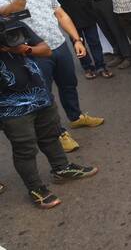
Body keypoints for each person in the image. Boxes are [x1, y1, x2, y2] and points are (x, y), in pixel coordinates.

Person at [0, 0, 104, 153]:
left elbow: (61, 14)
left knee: (69, 84)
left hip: (59, 46)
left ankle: (75, 117)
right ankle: (58, 133)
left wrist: (76, 40)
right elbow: (7, 12)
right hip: (31, 54)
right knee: (45, 96)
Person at [0, 13, 98, 208]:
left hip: (40, 94)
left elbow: (45, 50)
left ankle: (62, 169)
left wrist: (24, 49)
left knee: (51, 135)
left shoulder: (12, 24)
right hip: (10, 107)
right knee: (25, 148)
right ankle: (35, 188)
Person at [42, 0, 111, 80]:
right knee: (78, 43)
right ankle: (88, 67)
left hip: (87, 13)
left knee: (94, 42)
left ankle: (101, 66)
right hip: (69, 17)